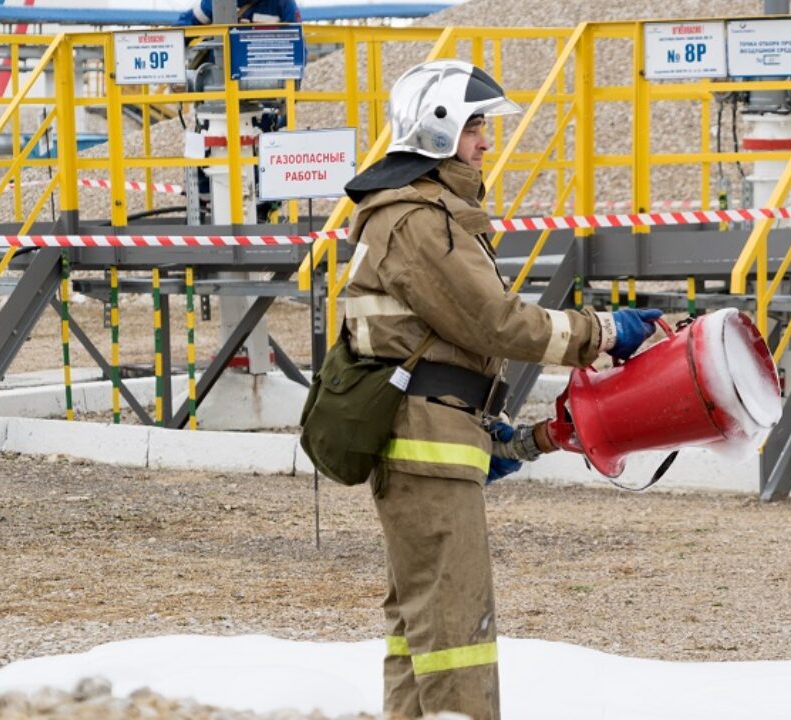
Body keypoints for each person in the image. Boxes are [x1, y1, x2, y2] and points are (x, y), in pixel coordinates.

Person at [340, 59, 663, 720]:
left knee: (421, 629)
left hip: (433, 435)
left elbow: (441, 343)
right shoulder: (418, 221)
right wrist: (604, 332)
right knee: (454, 630)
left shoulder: (428, 214)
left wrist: (497, 433)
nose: (486, 139)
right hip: (424, 445)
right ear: (437, 129)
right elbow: (494, 322)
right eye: (475, 124)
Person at [176, 0, 301, 25]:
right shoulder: (214, 3)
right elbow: (186, 26)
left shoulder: (283, 3)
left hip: (269, 83)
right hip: (221, 82)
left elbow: (298, 45)